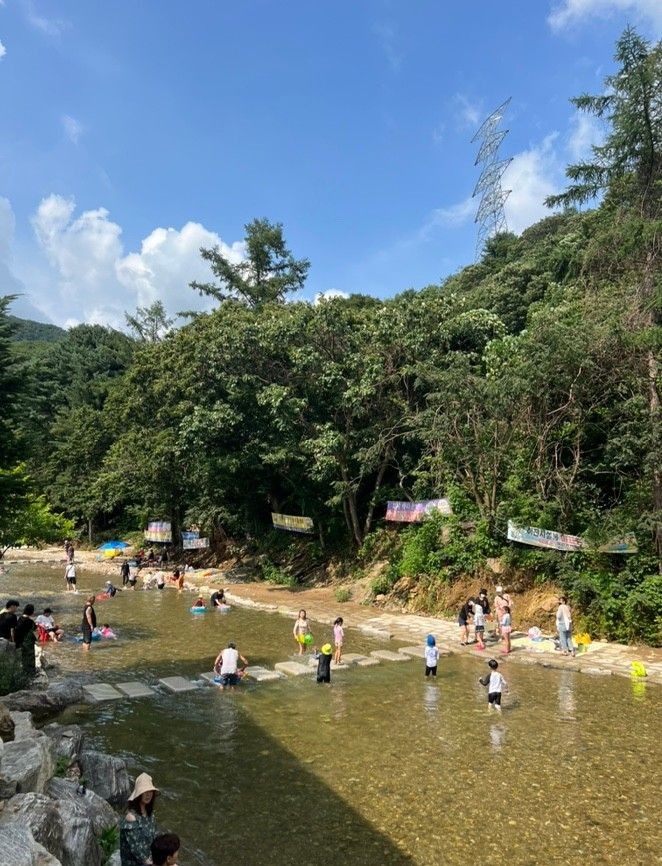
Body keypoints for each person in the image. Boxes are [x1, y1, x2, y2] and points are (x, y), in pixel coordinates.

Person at [119, 773, 159, 866]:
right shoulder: (131, 818)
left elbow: (154, 839)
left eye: (150, 791)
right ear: (138, 794)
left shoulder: (150, 815)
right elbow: (136, 849)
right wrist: (152, 864)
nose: (148, 794)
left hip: (148, 859)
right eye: (145, 791)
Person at [14, 604, 37, 677]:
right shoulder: (30, 621)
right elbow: (34, 628)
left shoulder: (20, 618)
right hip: (28, 641)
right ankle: (31, 672)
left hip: (21, 640)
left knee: (24, 656)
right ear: (32, 612)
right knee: (30, 656)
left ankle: (25, 670)